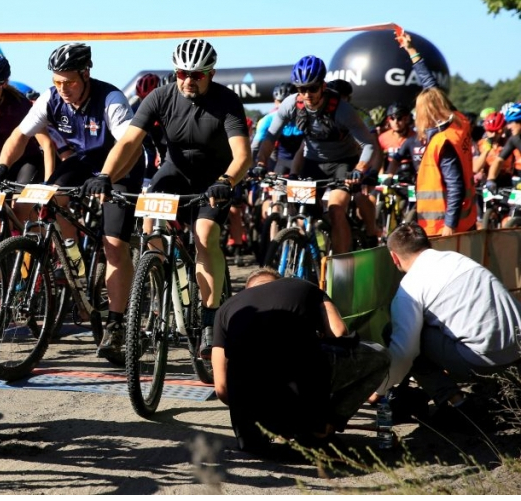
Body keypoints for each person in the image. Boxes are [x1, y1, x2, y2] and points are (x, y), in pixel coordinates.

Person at [83, 39, 248, 360]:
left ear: (210, 74)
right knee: (150, 227)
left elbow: (242, 154)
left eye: (197, 75)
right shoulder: (160, 96)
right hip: (173, 174)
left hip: (214, 180)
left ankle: (210, 317)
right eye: (182, 73)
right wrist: (105, 175)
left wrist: (226, 181)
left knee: (204, 237)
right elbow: (129, 141)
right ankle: (156, 279)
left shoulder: (227, 101)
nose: (188, 80)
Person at [0, 42, 143, 361]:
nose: (63, 89)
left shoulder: (110, 98)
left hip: (122, 163)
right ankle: (69, 254)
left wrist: (107, 177)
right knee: (49, 194)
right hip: (84, 161)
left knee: (114, 244)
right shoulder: (50, 97)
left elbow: (128, 143)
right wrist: (1, 167)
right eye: (58, 82)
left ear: (86, 74)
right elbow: (20, 136)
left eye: (69, 82)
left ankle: (116, 325)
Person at [211, 267, 390, 453]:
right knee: (380, 355)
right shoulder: (301, 285)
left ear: (248, 290)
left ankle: (280, 429)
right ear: (278, 281)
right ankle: (322, 427)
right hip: (303, 401)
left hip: (251, 435)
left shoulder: (226, 308)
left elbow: (221, 388)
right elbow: (339, 333)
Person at [373, 223, 521, 428]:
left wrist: (380, 388)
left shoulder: (411, 287)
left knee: (398, 334)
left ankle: (460, 407)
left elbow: (405, 352)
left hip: (485, 362)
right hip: (517, 356)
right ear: (428, 244)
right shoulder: (460, 260)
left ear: (394, 257)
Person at [255, 55, 380, 254]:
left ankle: (339, 266)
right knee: (300, 208)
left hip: (342, 164)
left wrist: (359, 170)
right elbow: (270, 138)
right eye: (301, 89)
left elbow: (369, 145)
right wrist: (260, 163)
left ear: (323, 85)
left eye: (312, 88)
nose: (307, 94)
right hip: (312, 163)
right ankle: (310, 250)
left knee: (336, 209)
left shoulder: (342, 109)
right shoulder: (290, 104)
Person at [0, 54, 55, 186]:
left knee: (19, 205)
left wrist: (49, 183)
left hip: (27, 163)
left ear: (4, 84)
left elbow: (47, 144)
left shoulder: (20, 105)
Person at [412, 88, 477, 236]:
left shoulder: (442, 142)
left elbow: (455, 186)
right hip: (465, 221)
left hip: (443, 228)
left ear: (427, 111)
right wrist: (418, 64)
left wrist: (449, 225)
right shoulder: (460, 126)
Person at [251, 83, 301, 175]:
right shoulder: (267, 120)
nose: (284, 106)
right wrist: (252, 167)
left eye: (287, 101)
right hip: (282, 160)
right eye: (280, 102)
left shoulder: (305, 116)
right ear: (275, 101)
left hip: (304, 160)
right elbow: (255, 147)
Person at [485, 103, 521, 195]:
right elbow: (499, 160)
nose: (508, 127)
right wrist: (491, 179)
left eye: (511, 122)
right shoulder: (514, 139)